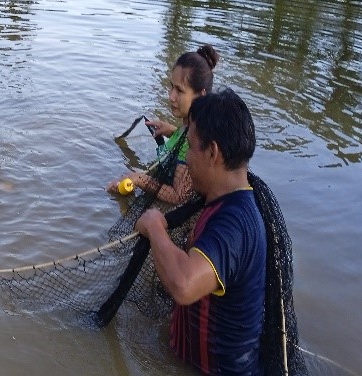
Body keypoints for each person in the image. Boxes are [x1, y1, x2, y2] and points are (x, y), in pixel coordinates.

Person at [135, 89, 265, 375]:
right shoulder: (222, 201)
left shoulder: (235, 222)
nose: (187, 159)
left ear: (212, 152)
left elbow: (184, 284)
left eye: (191, 147)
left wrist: (155, 226)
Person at [107, 44, 219, 205]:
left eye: (179, 91)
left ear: (200, 96)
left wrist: (139, 179)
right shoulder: (190, 123)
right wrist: (173, 132)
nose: (171, 96)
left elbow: (177, 196)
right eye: (171, 86)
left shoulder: (195, 140)